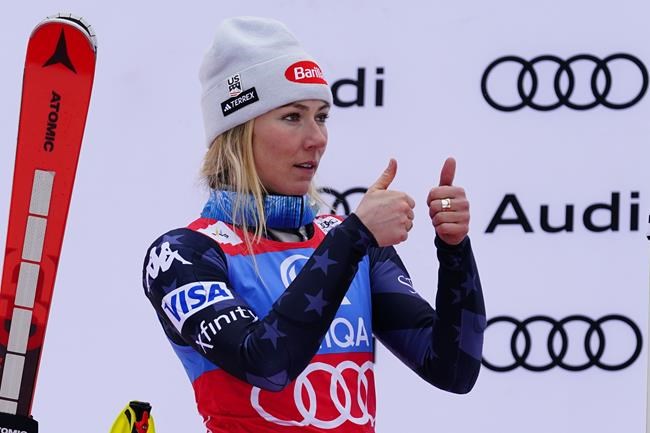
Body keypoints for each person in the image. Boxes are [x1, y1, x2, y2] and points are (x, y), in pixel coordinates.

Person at [142, 16, 486, 433]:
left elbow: (452, 369)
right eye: (292, 117)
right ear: (238, 132)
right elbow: (268, 364)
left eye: (321, 117)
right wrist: (354, 236)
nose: (317, 138)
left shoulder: (352, 246)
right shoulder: (184, 254)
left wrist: (454, 251)